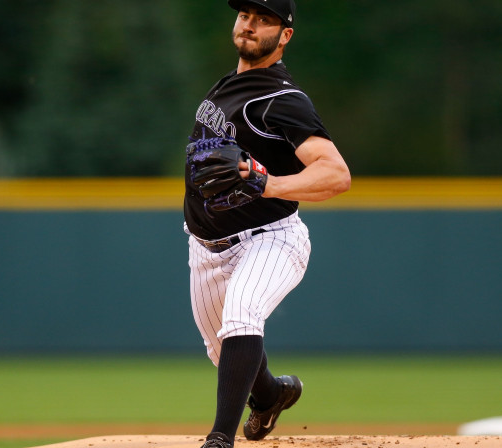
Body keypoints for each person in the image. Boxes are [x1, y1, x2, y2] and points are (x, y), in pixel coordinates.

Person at [183, 1, 351, 447]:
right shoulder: (232, 83)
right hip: (205, 247)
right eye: (245, 15)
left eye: (264, 19)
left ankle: (219, 439)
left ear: (285, 35)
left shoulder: (282, 99)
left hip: (269, 239)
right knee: (225, 351)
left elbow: (337, 174)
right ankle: (272, 394)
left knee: (242, 317)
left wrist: (267, 182)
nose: (250, 24)